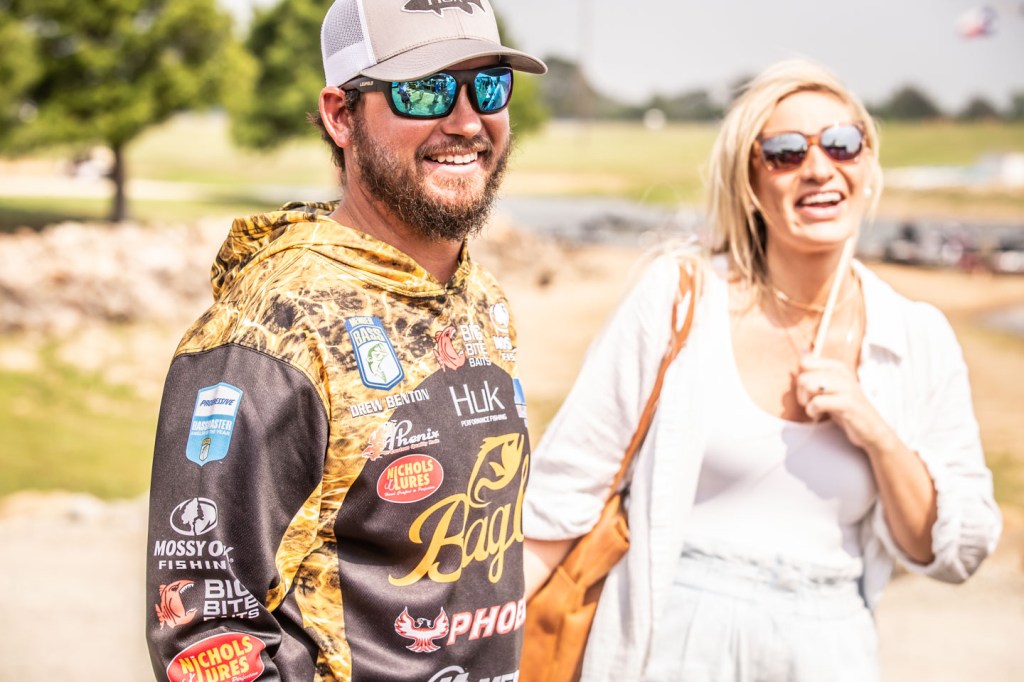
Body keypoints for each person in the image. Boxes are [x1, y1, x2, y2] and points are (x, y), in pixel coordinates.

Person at [522, 58, 1001, 682]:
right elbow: (565, 494)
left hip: (830, 646)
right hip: (670, 636)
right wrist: (462, 638)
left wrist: (877, 434)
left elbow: (949, 552)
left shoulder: (916, 336)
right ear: (750, 181)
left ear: (867, 163)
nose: (819, 168)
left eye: (842, 143)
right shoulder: (679, 297)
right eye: (784, 152)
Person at [145, 1, 545, 680]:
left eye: (488, 85)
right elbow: (204, 631)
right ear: (341, 116)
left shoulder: (480, 298)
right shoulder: (271, 327)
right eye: (426, 90)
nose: (467, 121)